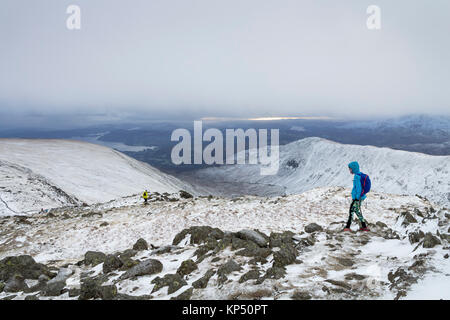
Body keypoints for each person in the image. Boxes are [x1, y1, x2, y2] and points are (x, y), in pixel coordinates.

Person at [344, 161, 370, 232]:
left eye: (350, 169)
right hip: (359, 197)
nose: (349, 170)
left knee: (351, 210)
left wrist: (356, 198)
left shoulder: (357, 177)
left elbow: (358, 188)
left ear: (354, 168)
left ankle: (347, 227)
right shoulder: (359, 175)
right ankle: (364, 226)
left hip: (357, 198)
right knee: (357, 211)